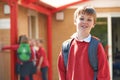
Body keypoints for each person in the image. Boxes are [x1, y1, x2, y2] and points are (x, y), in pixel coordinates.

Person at [57, 6, 110, 80]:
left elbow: (104, 74)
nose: (85, 22)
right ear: (75, 21)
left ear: (93, 24)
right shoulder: (66, 46)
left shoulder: (96, 45)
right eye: (81, 18)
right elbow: (62, 71)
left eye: (89, 19)